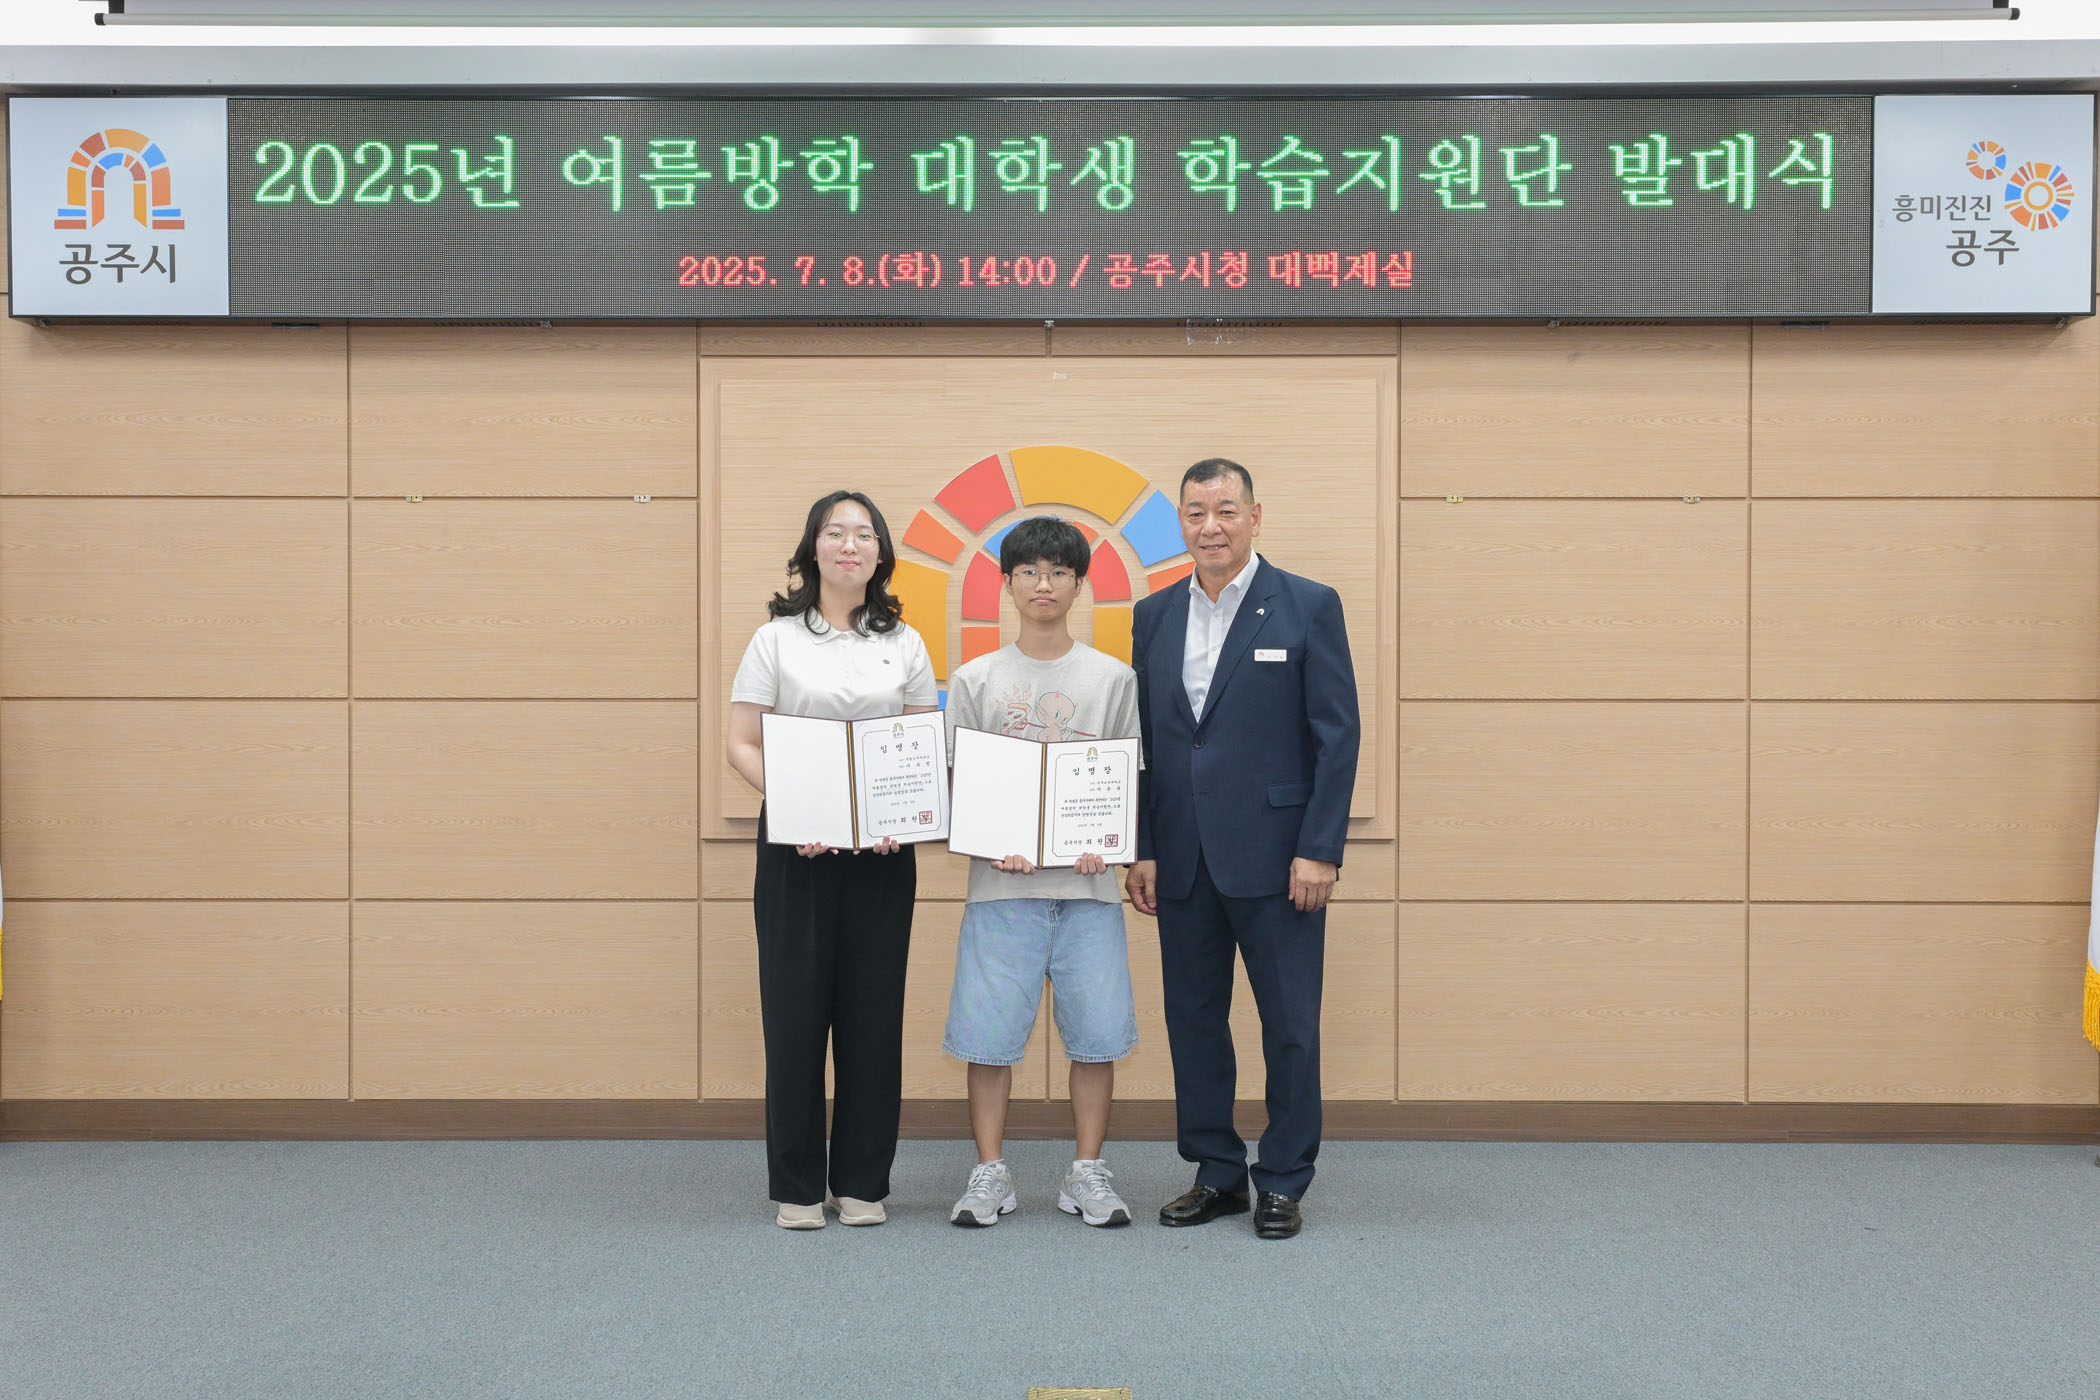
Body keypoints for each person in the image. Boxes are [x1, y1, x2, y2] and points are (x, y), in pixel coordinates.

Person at [1125, 458, 1360, 1241]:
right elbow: (1147, 744)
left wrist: (1320, 848)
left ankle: (1284, 1177)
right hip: (1182, 858)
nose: (1211, 526)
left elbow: (1337, 735)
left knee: (1289, 1025)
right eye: (1196, 512)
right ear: (1181, 524)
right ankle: (1217, 1172)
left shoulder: (1307, 605)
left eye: (1226, 510)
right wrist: (1143, 846)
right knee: (1194, 1021)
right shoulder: (1154, 615)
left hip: (1281, 859)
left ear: (1256, 516)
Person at [725, 490, 937, 1230]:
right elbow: (741, 744)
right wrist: (796, 807)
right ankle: (796, 1185)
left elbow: (918, 748)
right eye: (835, 532)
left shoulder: (905, 642)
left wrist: (900, 817)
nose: (850, 545)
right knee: (794, 1014)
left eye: (864, 534)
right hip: (797, 851)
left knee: (873, 1017)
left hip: (882, 855)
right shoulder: (775, 640)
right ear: (812, 548)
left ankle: (862, 1182)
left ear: (881, 554)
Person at [940, 517, 1142, 1229]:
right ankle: (990, 1172)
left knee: (1097, 1036)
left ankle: (1086, 1172)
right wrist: (994, 840)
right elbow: (960, 784)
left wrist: (1105, 844)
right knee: (988, 1040)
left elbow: (1126, 779)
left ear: (1079, 585)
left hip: (1087, 892)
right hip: (1001, 890)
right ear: (1007, 584)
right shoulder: (976, 679)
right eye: (1028, 572)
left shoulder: (1113, 679)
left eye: (1058, 572)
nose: (1043, 584)